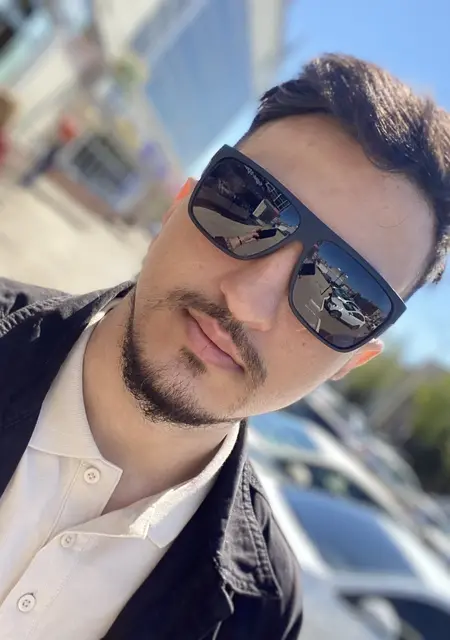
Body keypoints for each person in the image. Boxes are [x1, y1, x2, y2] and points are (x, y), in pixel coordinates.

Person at [0, 53, 449, 640]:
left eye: (341, 296)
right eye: (247, 206)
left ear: (353, 360)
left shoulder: (262, 617)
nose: (248, 302)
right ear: (178, 204)